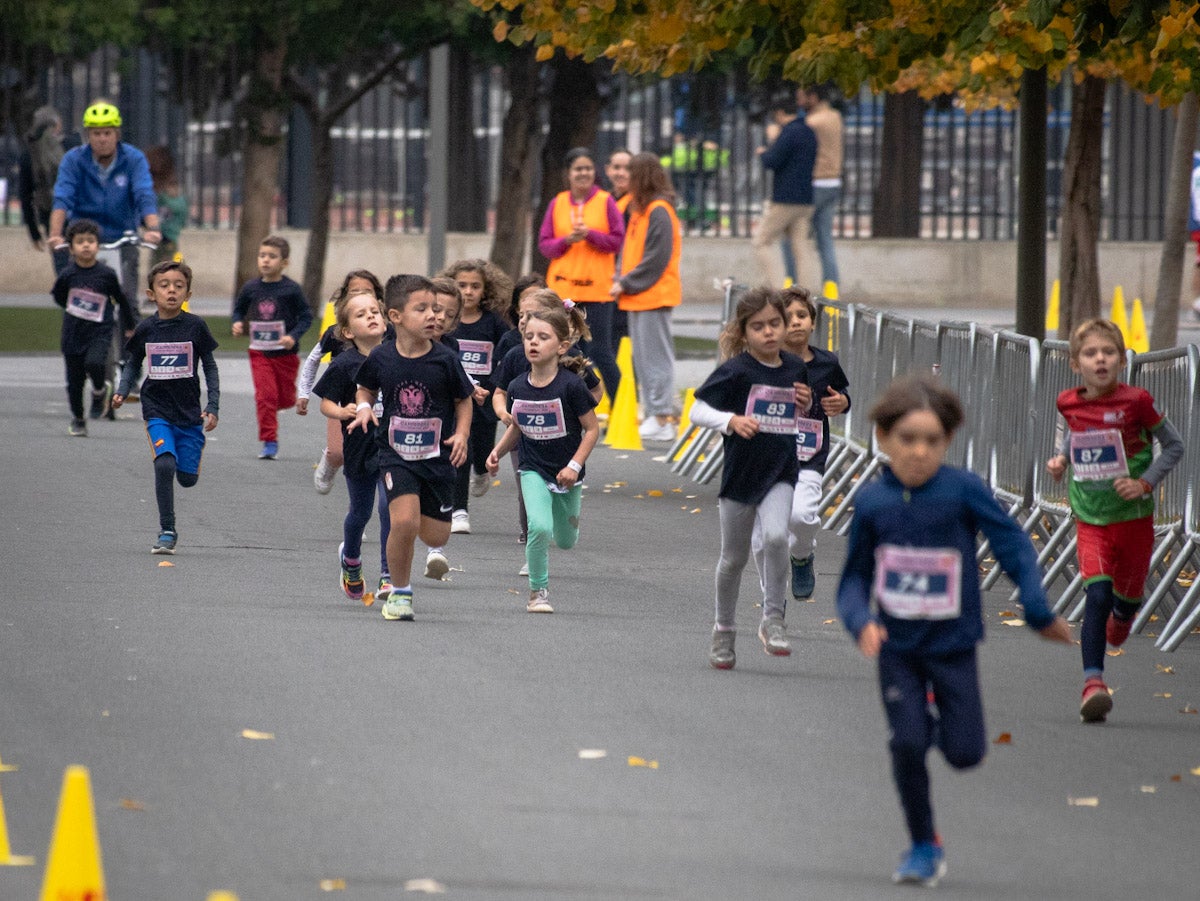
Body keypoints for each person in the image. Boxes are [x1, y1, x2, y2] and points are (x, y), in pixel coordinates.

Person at [837, 375, 1071, 886]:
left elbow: (1013, 546)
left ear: (947, 443)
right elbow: (852, 579)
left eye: (933, 442)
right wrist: (861, 621)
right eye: (907, 440)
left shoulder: (963, 491)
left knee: (966, 754)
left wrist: (1036, 608)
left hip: (952, 645)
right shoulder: (872, 502)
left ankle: (935, 728)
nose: (920, 452)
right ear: (882, 439)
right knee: (907, 742)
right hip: (896, 647)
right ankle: (924, 844)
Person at [1046, 318, 1184, 722]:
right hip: (1090, 516)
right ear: (1076, 364)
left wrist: (1143, 484)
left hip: (1133, 518)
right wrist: (1061, 461)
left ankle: (1125, 617)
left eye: (1108, 352)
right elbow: (1075, 436)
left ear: (1122, 360)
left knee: (1125, 600)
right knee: (1097, 594)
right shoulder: (1068, 401)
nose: (1100, 359)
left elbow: (1173, 446)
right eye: (1091, 353)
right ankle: (1093, 684)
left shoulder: (1137, 400)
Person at [687, 287, 811, 666]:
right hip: (741, 476)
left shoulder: (794, 368)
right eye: (759, 327)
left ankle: (773, 618)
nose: (770, 332)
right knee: (733, 559)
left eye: (776, 323)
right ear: (744, 333)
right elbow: (697, 410)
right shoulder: (736, 371)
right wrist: (730, 421)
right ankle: (723, 630)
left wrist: (805, 404)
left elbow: (800, 414)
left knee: (776, 536)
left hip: (780, 472)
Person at [348, 274, 474, 623]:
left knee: (437, 534)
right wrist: (362, 407)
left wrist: (462, 435)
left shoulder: (445, 359)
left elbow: (464, 400)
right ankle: (399, 592)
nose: (434, 315)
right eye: (422, 309)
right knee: (402, 521)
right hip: (394, 455)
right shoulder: (382, 357)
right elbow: (365, 388)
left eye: (436, 309)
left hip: (437, 458)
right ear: (396, 316)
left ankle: (409, 540)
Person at [486, 304, 601, 613]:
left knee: (565, 540)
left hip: (567, 471)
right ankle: (538, 592)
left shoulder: (572, 386)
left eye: (543, 337)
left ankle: (567, 526)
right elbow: (518, 427)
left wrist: (574, 466)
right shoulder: (516, 386)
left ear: (562, 346)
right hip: (532, 467)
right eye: (528, 337)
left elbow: (592, 429)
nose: (533, 343)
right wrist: (496, 452)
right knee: (538, 526)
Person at [112, 260, 219, 555]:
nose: (171, 291)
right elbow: (133, 363)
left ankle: (194, 452)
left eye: (178, 286)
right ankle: (167, 529)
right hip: (156, 408)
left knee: (186, 478)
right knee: (164, 464)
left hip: (189, 413)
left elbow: (209, 367)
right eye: (164, 285)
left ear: (188, 293)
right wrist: (122, 390)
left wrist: (212, 404)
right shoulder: (146, 329)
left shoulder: (195, 326)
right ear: (151, 293)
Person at [751, 287, 850, 601]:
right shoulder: (764, 362)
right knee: (767, 532)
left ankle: (802, 556)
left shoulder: (826, 363)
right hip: (767, 455)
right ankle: (772, 597)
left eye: (802, 316)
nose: (795, 322)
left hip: (810, 453)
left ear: (812, 323)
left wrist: (842, 402)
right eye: (788, 317)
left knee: (801, 517)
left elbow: (843, 395)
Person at [311, 292, 390, 603]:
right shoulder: (344, 363)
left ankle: (387, 575)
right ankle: (351, 561)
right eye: (361, 314)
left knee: (389, 509)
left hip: (392, 447)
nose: (371, 316)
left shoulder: (396, 357)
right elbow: (326, 403)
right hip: (359, 447)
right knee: (360, 512)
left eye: (375, 311)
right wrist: (342, 412)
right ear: (346, 331)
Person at [47, 100, 161, 299]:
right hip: (85, 239)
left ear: (117, 134)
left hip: (123, 237)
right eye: (96, 133)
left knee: (127, 302)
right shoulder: (73, 160)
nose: (102, 139)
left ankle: (128, 328)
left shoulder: (134, 159)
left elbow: (144, 194)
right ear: (88, 135)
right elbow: (63, 197)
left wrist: (153, 229)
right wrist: (55, 235)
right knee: (80, 302)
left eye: (107, 133)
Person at [538, 147, 625, 406]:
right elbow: (545, 245)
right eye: (578, 169)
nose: (583, 173)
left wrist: (591, 235)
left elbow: (616, 242)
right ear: (568, 173)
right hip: (563, 291)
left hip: (597, 290)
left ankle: (621, 406)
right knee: (566, 350)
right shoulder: (558, 202)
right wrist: (566, 240)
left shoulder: (605, 201)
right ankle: (575, 403)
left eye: (588, 168)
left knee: (601, 351)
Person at [610, 152, 682, 442]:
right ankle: (655, 413)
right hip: (639, 295)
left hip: (654, 294)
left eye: (632, 172)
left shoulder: (659, 210)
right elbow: (631, 252)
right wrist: (622, 280)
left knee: (656, 359)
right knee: (643, 359)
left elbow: (657, 258)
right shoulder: (641, 210)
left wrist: (626, 282)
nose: (626, 177)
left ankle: (663, 417)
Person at [441, 259, 514, 536]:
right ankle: (459, 510)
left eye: (475, 286)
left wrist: (495, 386)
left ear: (486, 290)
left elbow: (506, 357)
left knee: (482, 452)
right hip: (457, 399)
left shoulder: (493, 323)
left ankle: (482, 472)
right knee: (462, 450)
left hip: (485, 399)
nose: (468, 291)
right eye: (462, 285)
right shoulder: (447, 323)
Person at [51, 218, 138, 436]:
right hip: (73, 334)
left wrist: (129, 325)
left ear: (98, 246)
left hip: (99, 331)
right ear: (71, 249)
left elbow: (121, 299)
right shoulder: (68, 275)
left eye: (91, 241)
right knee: (74, 382)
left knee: (95, 362)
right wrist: (75, 309)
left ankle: (100, 391)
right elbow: (59, 296)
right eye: (80, 242)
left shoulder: (106, 274)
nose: (86, 245)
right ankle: (78, 418)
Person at [300, 270, 384, 493]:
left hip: (381, 407)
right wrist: (304, 392)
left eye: (366, 291)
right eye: (354, 291)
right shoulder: (335, 333)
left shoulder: (387, 332)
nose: (360, 295)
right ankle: (329, 462)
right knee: (339, 453)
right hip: (343, 399)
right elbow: (313, 359)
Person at [231, 235, 313, 459]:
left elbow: (307, 316)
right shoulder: (250, 288)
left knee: (284, 399)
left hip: (285, 355)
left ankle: (272, 407)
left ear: (284, 262)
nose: (266, 260)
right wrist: (237, 323)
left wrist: (293, 336)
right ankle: (269, 441)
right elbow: (238, 310)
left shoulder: (291, 290)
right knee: (266, 396)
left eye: (272, 257)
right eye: (262, 255)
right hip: (259, 352)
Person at [752, 95, 816, 289]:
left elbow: (772, 161)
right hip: (805, 199)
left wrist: (767, 147)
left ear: (780, 114)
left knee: (762, 241)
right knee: (800, 248)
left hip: (785, 199)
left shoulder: (789, 133)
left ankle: (777, 288)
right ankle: (807, 294)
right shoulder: (808, 132)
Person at [18, 105, 75, 275]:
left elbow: (25, 195)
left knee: (62, 264)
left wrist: (34, 232)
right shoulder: (72, 145)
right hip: (77, 212)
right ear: (58, 124)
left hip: (48, 213)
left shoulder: (28, 153)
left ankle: (66, 296)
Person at [797, 84, 843, 288]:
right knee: (825, 240)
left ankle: (792, 285)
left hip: (816, 182)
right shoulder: (834, 117)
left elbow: (796, 129)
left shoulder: (814, 121)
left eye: (801, 97)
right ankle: (831, 288)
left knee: (794, 236)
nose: (798, 103)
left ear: (812, 97)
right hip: (833, 181)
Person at [604, 149, 633, 353]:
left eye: (627, 168)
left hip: (627, 281)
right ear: (607, 170)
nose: (621, 173)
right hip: (604, 280)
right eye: (616, 167)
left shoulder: (636, 205)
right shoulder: (605, 201)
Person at [145, 146, 188, 269]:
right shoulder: (159, 193)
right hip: (160, 235)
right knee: (156, 265)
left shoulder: (174, 197)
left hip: (169, 237)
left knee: (167, 265)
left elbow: (179, 210)